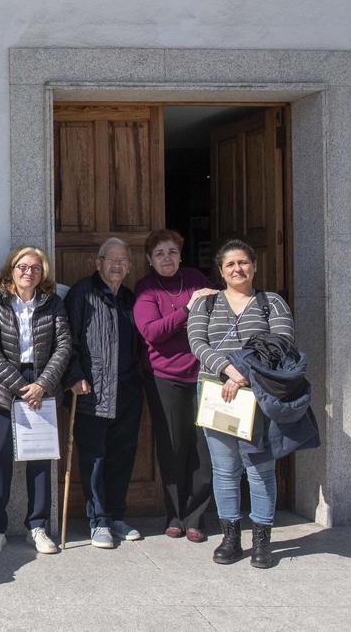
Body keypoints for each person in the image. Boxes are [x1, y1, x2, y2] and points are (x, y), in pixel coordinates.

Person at [188, 239, 295, 569]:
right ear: (220, 271)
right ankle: (230, 536)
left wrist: (242, 375)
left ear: (254, 266)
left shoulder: (271, 303)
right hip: (216, 395)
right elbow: (197, 343)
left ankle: (262, 540)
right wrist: (225, 370)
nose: (238, 269)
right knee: (224, 469)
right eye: (230, 264)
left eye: (243, 263)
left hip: (257, 395)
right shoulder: (206, 304)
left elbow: (281, 345)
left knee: (260, 468)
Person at [0, 247, 71, 556]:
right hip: (5, 386)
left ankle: (38, 527)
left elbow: (63, 346)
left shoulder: (53, 303)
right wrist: (21, 387)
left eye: (35, 268)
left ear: (42, 273)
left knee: (40, 457)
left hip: (42, 383)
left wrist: (42, 384)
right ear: (11, 270)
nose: (28, 272)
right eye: (22, 266)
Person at [134, 230, 218, 542]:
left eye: (172, 252)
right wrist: (186, 312)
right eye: (159, 254)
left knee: (202, 447)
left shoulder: (197, 279)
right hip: (164, 378)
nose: (166, 258)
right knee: (172, 447)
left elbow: (216, 319)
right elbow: (152, 332)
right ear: (149, 260)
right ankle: (175, 515)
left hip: (202, 375)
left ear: (181, 255)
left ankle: (196, 518)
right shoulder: (146, 288)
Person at [64, 238, 145, 549]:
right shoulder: (82, 293)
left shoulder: (129, 297)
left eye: (123, 260)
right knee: (94, 458)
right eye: (110, 259)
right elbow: (66, 339)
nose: (116, 265)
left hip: (127, 389)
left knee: (123, 455)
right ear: (97, 263)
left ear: (129, 266)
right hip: (91, 391)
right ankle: (98, 521)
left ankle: (116, 516)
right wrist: (74, 376)